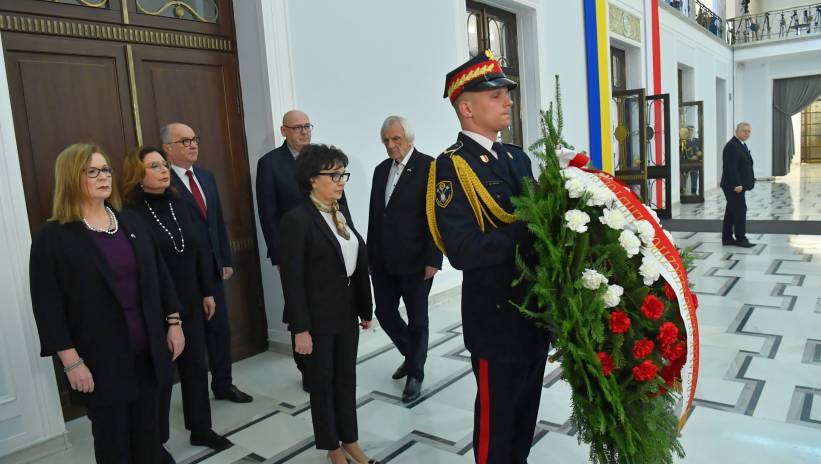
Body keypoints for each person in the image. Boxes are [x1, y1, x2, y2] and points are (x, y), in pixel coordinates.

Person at [427, 51, 551, 463]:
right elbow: (464, 251)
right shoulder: (452, 167)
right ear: (467, 108)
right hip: (496, 320)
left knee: (525, 419)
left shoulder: (516, 157)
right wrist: (527, 230)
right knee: (496, 428)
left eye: (506, 94)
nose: (508, 101)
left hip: (534, 314)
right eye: (496, 95)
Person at [29, 142, 185, 463]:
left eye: (106, 169)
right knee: (114, 445)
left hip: (148, 354)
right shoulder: (52, 237)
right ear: (71, 178)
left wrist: (174, 322)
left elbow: (159, 276)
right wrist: (72, 363)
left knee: (149, 438)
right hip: (101, 362)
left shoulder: (131, 222)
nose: (104, 176)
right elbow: (48, 308)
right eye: (92, 171)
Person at [121, 147, 232, 461]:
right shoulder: (129, 213)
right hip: (155, 306)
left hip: (191, 299)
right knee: (161, 376)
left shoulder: (179, 202)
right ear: (137, 174)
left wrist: (207, 291)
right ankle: (156, 442)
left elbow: (197, 250)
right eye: (154, 166)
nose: (163, 170)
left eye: (163, 165)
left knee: (196, 366)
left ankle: (201, 428)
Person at [277, 144, 376, 464]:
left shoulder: (339, 212)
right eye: (333, 175)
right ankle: (333, 448)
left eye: (342, 174)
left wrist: (365, 309)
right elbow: (292, 280)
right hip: (317, 318)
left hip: (345, 313)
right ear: (312, 179)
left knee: (346, 380)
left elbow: (356, 262)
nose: (341, 181)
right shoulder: (297, 220)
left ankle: (350, 441)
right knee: (322, 385)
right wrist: (300, 329)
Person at [162, 123, 254, 403]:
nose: (193, 145)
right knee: (193, 336)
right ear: (167, 148)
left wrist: (225, 258)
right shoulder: (163, 181)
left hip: (212, 269)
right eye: (184, 141)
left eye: (194, 139)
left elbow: (216, 221)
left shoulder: (205, 176)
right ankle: (196, 397)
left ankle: (223, 384)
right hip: (184, 274)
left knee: (219, 329)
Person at [367, 115, 442, 403]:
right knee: (385, 314)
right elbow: (376, 216)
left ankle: (415, 374)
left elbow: (436, 216)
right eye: (386, 140)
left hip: (417, 260)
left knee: (417, 320)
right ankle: (412, 357)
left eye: (395, 139)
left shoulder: (430, 167)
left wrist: (434, 258)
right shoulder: (380, 170)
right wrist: (370, 257)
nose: (390, 145)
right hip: (383, 260)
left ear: (409, 138)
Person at [720, 122, 755, 248]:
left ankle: (727, 238)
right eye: (744, 131)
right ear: (737, 131)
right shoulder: (732, 146)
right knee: (740, 210)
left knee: (731, 211)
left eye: (749, 131)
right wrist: (737, 184)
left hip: (738, 186)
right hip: (734, 186)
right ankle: (740, 238)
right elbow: (731, 167)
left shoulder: (740, 144)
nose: (747, 133)